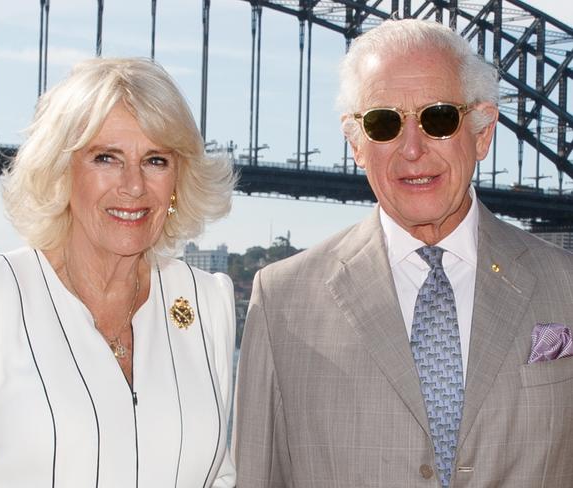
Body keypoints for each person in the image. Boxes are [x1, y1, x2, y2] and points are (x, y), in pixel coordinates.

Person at [233, 18, 573, 488]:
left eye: (438, 118)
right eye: (383, 122)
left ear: (482, 131)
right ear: (355, 142)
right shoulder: (282, 301)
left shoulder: (566, 284)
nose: (412, 149)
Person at [0, 57, 236, 487]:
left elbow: (218, 476)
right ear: (61, 170)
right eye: (106, 157)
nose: (133, 185)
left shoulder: (205, 303)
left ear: (179, 178)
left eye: (156, 160)